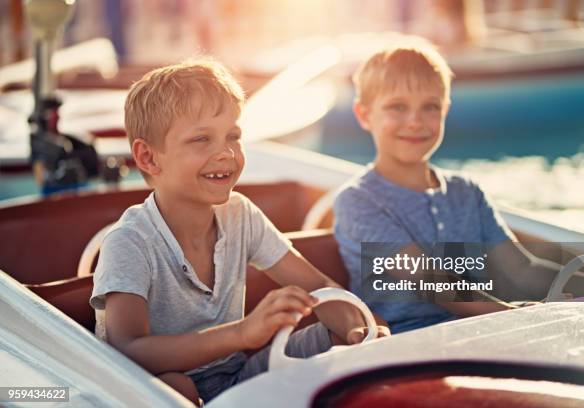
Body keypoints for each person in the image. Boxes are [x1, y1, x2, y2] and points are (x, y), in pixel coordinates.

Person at [90, 58, 388, 405]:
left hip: (237, 378)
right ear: (148, 158)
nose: (226, 153)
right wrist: (242, 334)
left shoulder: (240, 215)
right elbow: (129, 350)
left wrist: (357, 331)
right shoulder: (129, 242)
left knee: (341, 340)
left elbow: (318, 286)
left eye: (233, 136)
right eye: (202, 139)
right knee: (178, 389)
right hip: (157, 389)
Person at [333, 36, 562, 335]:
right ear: (364, 115)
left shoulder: (467, 193)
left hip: (485, 332)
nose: (415, 121)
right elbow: (434, 282)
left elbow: (520, 268)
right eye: (397, 107)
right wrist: (513, 316)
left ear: (445, 110)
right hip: (407, 345)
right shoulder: (357, 201)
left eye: (430, 107)